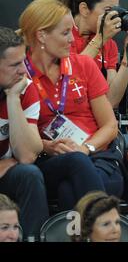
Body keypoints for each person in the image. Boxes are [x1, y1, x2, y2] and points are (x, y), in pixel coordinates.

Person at [18, 0, 124, 210]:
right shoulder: (19, 74)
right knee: (74, 164)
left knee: (69, 189)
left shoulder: (83, 64)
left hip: (97, 155)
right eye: (65, 33)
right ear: (41, 36)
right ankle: (102, 225)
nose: (72, 40)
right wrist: (46, 146)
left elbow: (111, 126)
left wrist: (86, 148)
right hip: (48, 159)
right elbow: (17, 135)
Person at [61, 0, 128, 108]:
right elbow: (69, 78)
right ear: (84, 9)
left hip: (94, 118)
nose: (114, 16)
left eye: (116, 11)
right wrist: (100, 39)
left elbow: (111, 101)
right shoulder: (63, 34)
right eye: (108, 10)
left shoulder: (109, 44)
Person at [0, 27, 48, 239]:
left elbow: (27, 156)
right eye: (14, 65)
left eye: (23, 61)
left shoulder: (24, 88)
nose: (23, 71)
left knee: (29, 174)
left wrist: (12, 99)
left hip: (7, 172)